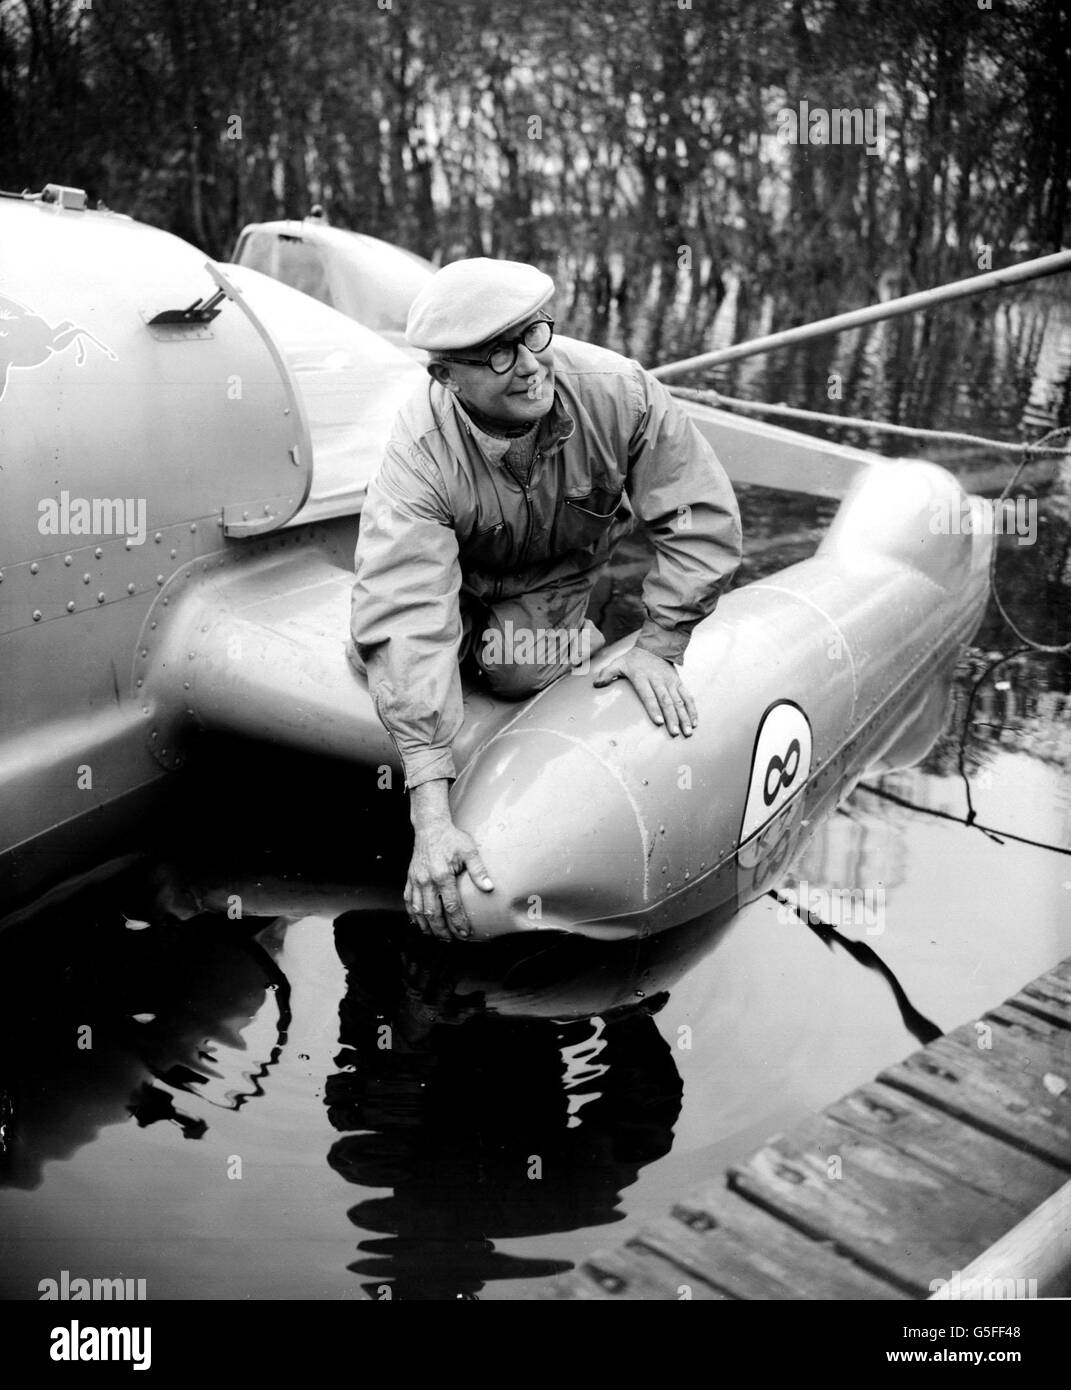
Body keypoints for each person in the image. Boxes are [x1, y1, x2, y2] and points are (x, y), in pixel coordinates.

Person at [351, 258, 742, 941]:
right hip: (459, 582)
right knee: (376, 657)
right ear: (445, 376)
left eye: (533, 335)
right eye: (497, 354)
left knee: (513, 670)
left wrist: (659, 644)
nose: (529, 365)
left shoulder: (618, 391)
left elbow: (697, 518)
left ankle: (582, 635)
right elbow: (405, 606)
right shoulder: (418, 451)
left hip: (549, 582)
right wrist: (430, 812)